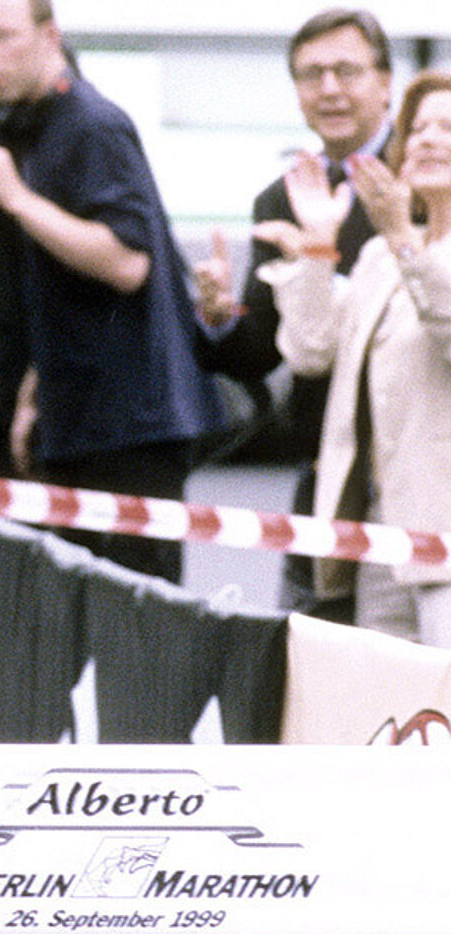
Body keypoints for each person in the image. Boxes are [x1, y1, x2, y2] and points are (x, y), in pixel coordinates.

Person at [0, 0, 222, 582]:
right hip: (83, 412)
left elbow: (127, 264)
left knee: (139, 621)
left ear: (50, 36)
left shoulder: (91, 124)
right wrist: (36, 389)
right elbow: (66, 285)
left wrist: (14, 196)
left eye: (2, 36)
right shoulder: (35, 123)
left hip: (132, 424)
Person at [192, 7, 394, 611]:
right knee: (313, 649)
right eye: (310, 75)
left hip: (409, 466)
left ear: (385, 81)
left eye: (346, 71)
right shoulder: (280, 195)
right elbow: (258, 355)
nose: (329, 89)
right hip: (322, 463)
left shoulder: (424, 176)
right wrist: (220, 315)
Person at [266, 70, 451, 644]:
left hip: (444, 542)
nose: (426, 138)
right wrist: (320, 246)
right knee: (389, 723)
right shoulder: (377, 254)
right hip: (380, 536)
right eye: (417, 127)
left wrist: (401, 234)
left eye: (447, 127)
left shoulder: (396, 245)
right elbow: (311, 351)